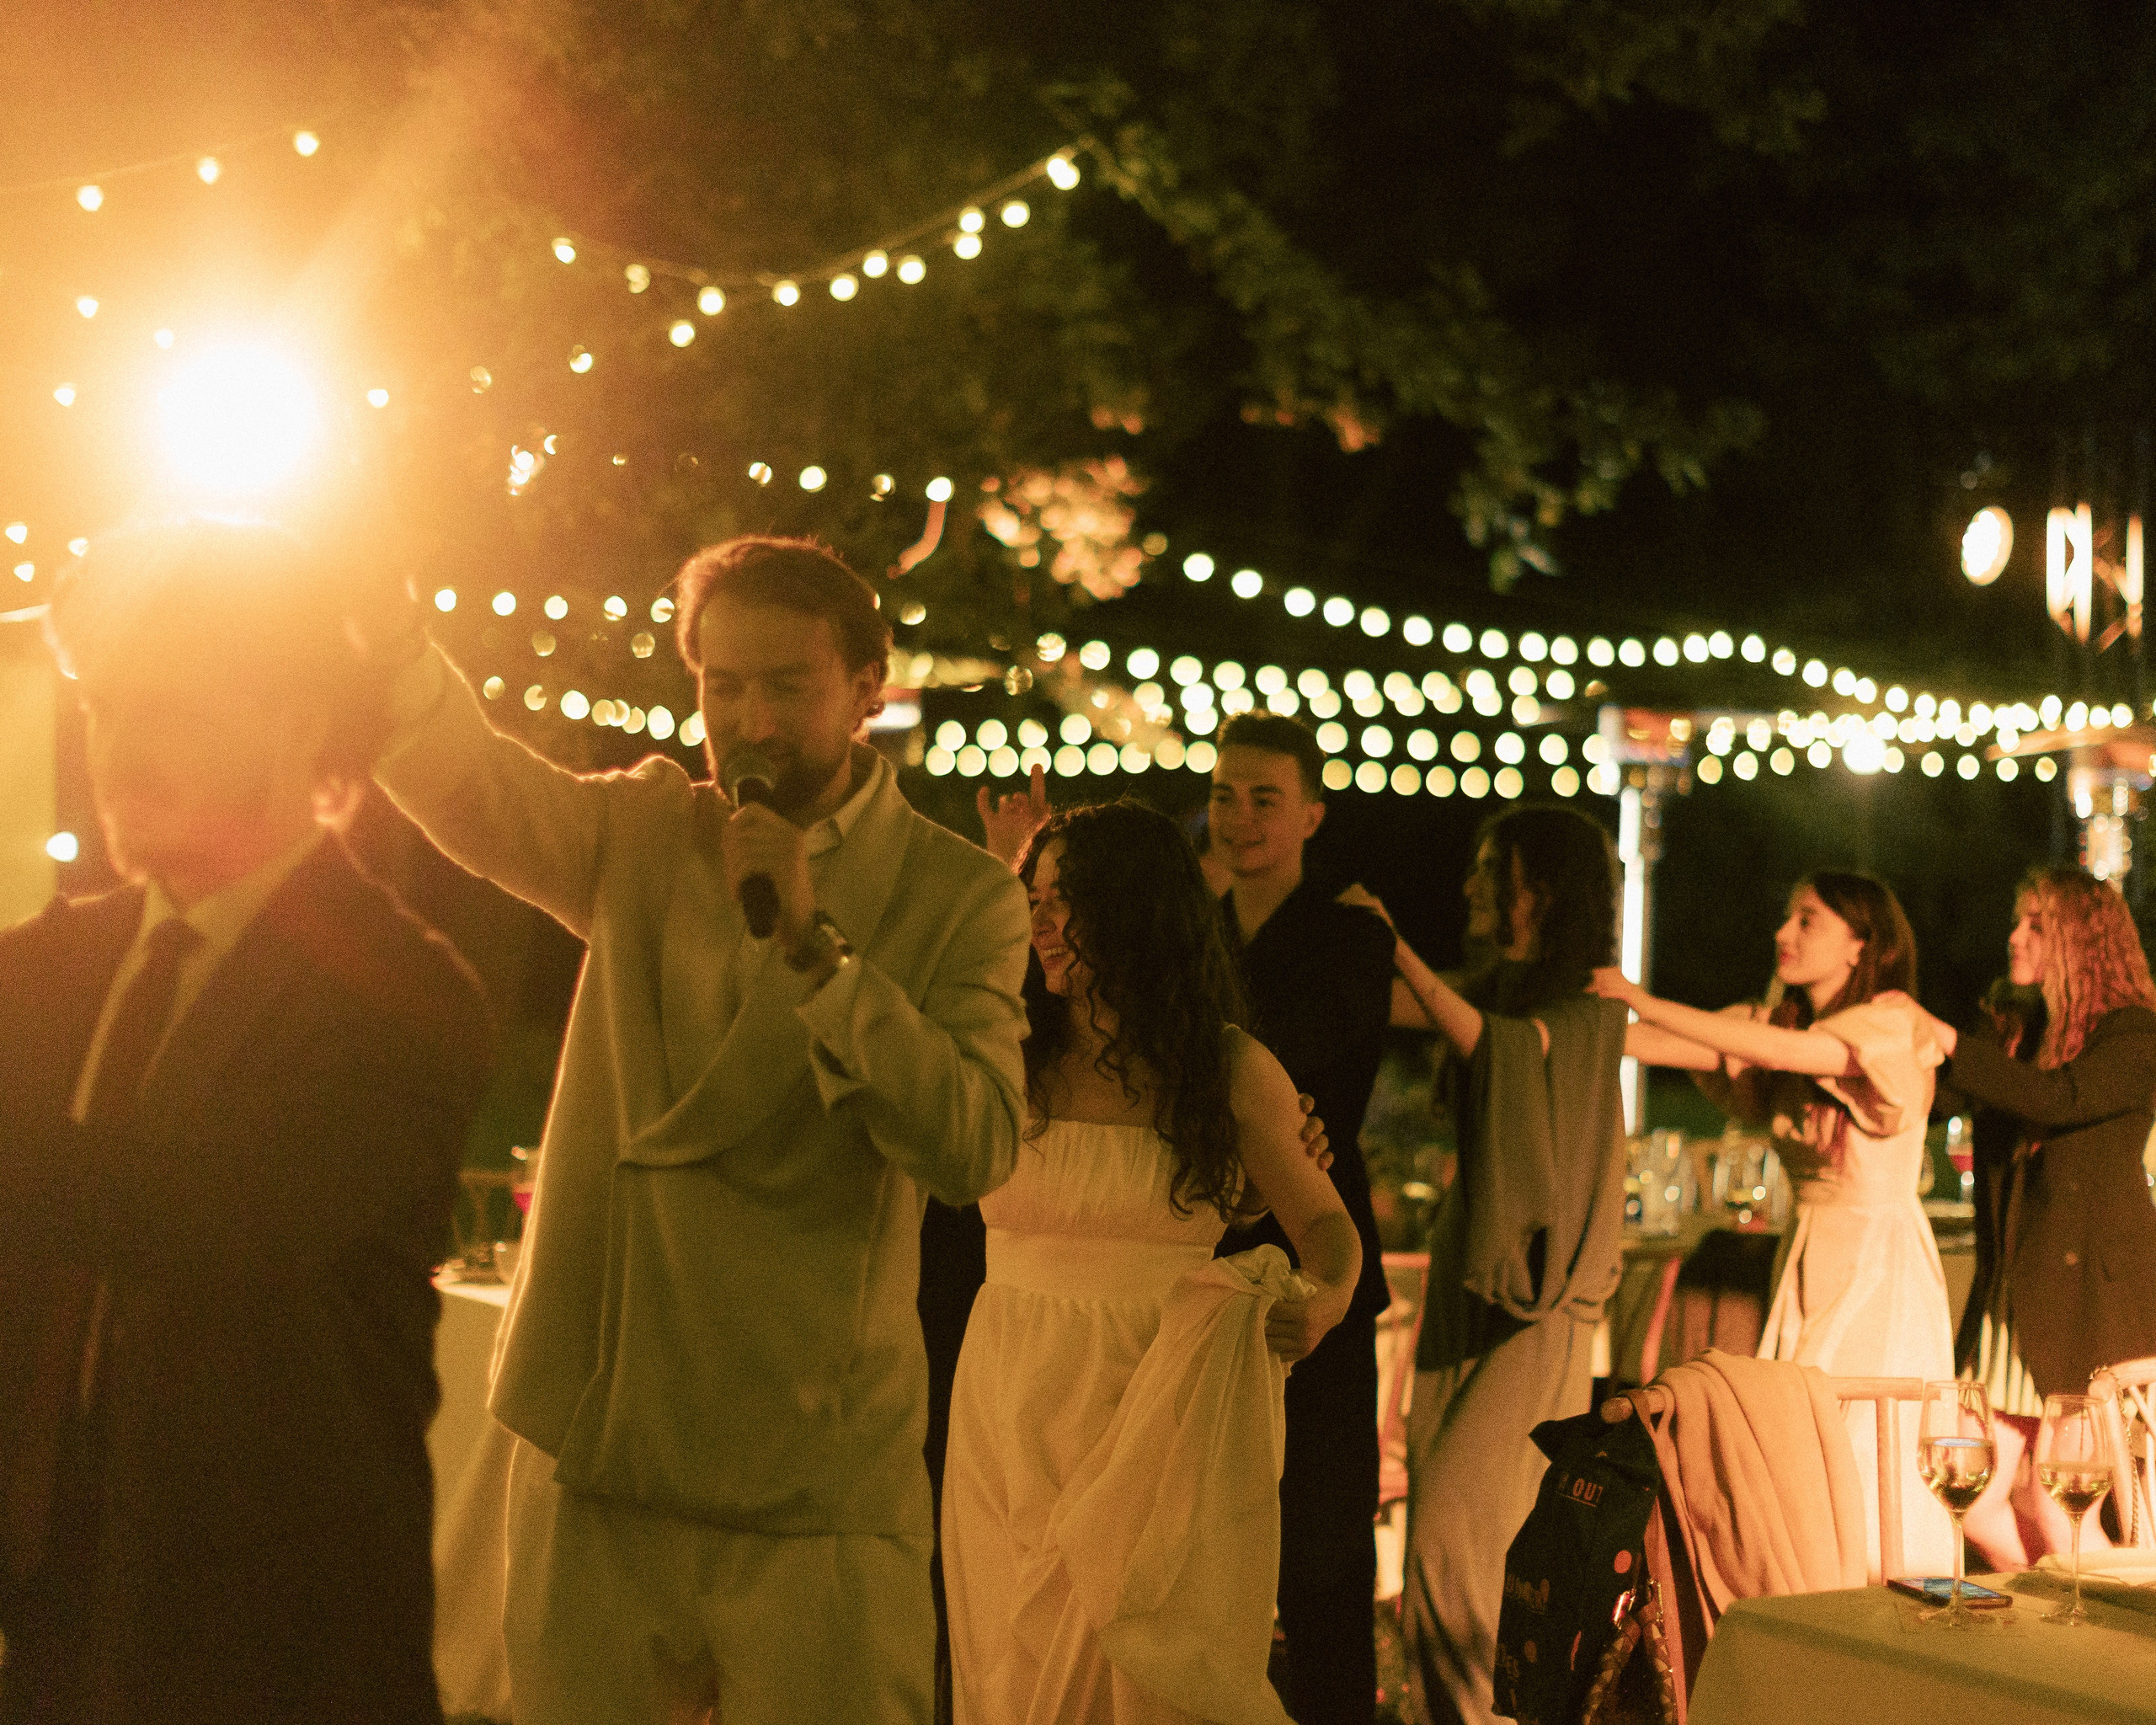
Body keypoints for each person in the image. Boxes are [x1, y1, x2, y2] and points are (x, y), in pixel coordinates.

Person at [372, 536, 1032, 1723]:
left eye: (786, 685)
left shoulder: (958, 895)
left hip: (814, 1475)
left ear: (868, 688)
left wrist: (821, 955)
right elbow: (476, 789)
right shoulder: (641, 830)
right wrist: (387, 646)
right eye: (722, 687)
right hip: (602, 1432)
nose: (750, 722)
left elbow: (976, 1145)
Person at [0, 518, 490, 1724]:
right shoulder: (48, 968)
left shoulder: (400, 990)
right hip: (51, 1610)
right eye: (107, 709)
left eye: (172, 710)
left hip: (274, 1632)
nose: (122, 748)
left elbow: (219, 1214)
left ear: (296, 722)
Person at [942, 800, 1363, 1723]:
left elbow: (1327, 1225)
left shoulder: (1227, 1069)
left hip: (1152, 1404)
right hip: (1005, 1399)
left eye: (1064, 899)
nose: (1042, 923)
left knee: (1137, 1669)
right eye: (1033, 900)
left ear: (1134, 905)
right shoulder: (1004, 1052)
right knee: (1007, 1671)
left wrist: (1328, 1295)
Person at [1592, 871, 1956, 1579]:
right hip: (1807, 1254)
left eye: (1808, 920)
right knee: (1796, 1441)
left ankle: (1873, 1591)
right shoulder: (1783, 1027)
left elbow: (1785, 1054)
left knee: (1855, 1440)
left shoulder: (1885, 1027)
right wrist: (1568, 1025)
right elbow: (1676, 1046)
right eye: (1788, 917)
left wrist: (1642, 997)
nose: (1784, 933)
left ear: (1859, 945)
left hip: (1875, 1264)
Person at [1375, 805, 1631, 1725]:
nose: (1471, 886)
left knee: (1462, 1536)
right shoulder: (1507, 987)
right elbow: (1415, 1007)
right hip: (1468, 1278)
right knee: (1438, 1538)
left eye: (1492, 869)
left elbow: (1498, 1046)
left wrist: (1395, 947)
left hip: (1532, 1306)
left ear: (1543, 889)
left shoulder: (1587, 1010)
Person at [1208, 712, 1394, 1725]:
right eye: (1223, 794)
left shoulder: (1350, 931)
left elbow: (1297, 1053)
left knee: (1322, 1542)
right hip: (1200, 1253)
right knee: (1207, 1528)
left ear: (1311, 815)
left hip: (1319, 1251)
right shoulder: (1192, 927)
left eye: (1263, 798)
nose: (1239, 817)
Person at [1894, 865, 2156, 1567]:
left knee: (2054, 1503)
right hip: (2012, 1300)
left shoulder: (2133, 1035)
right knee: (1971, 1495)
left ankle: (2095, 1620)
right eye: (2018, 921)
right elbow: (1944, 1100)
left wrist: (1951, 1042)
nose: (2015, 936)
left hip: (2088, 1309)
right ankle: (2055, 1608)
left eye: (2037, 925)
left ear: (2082, 941)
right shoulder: (2015, 1030)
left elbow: (2057, 1099)